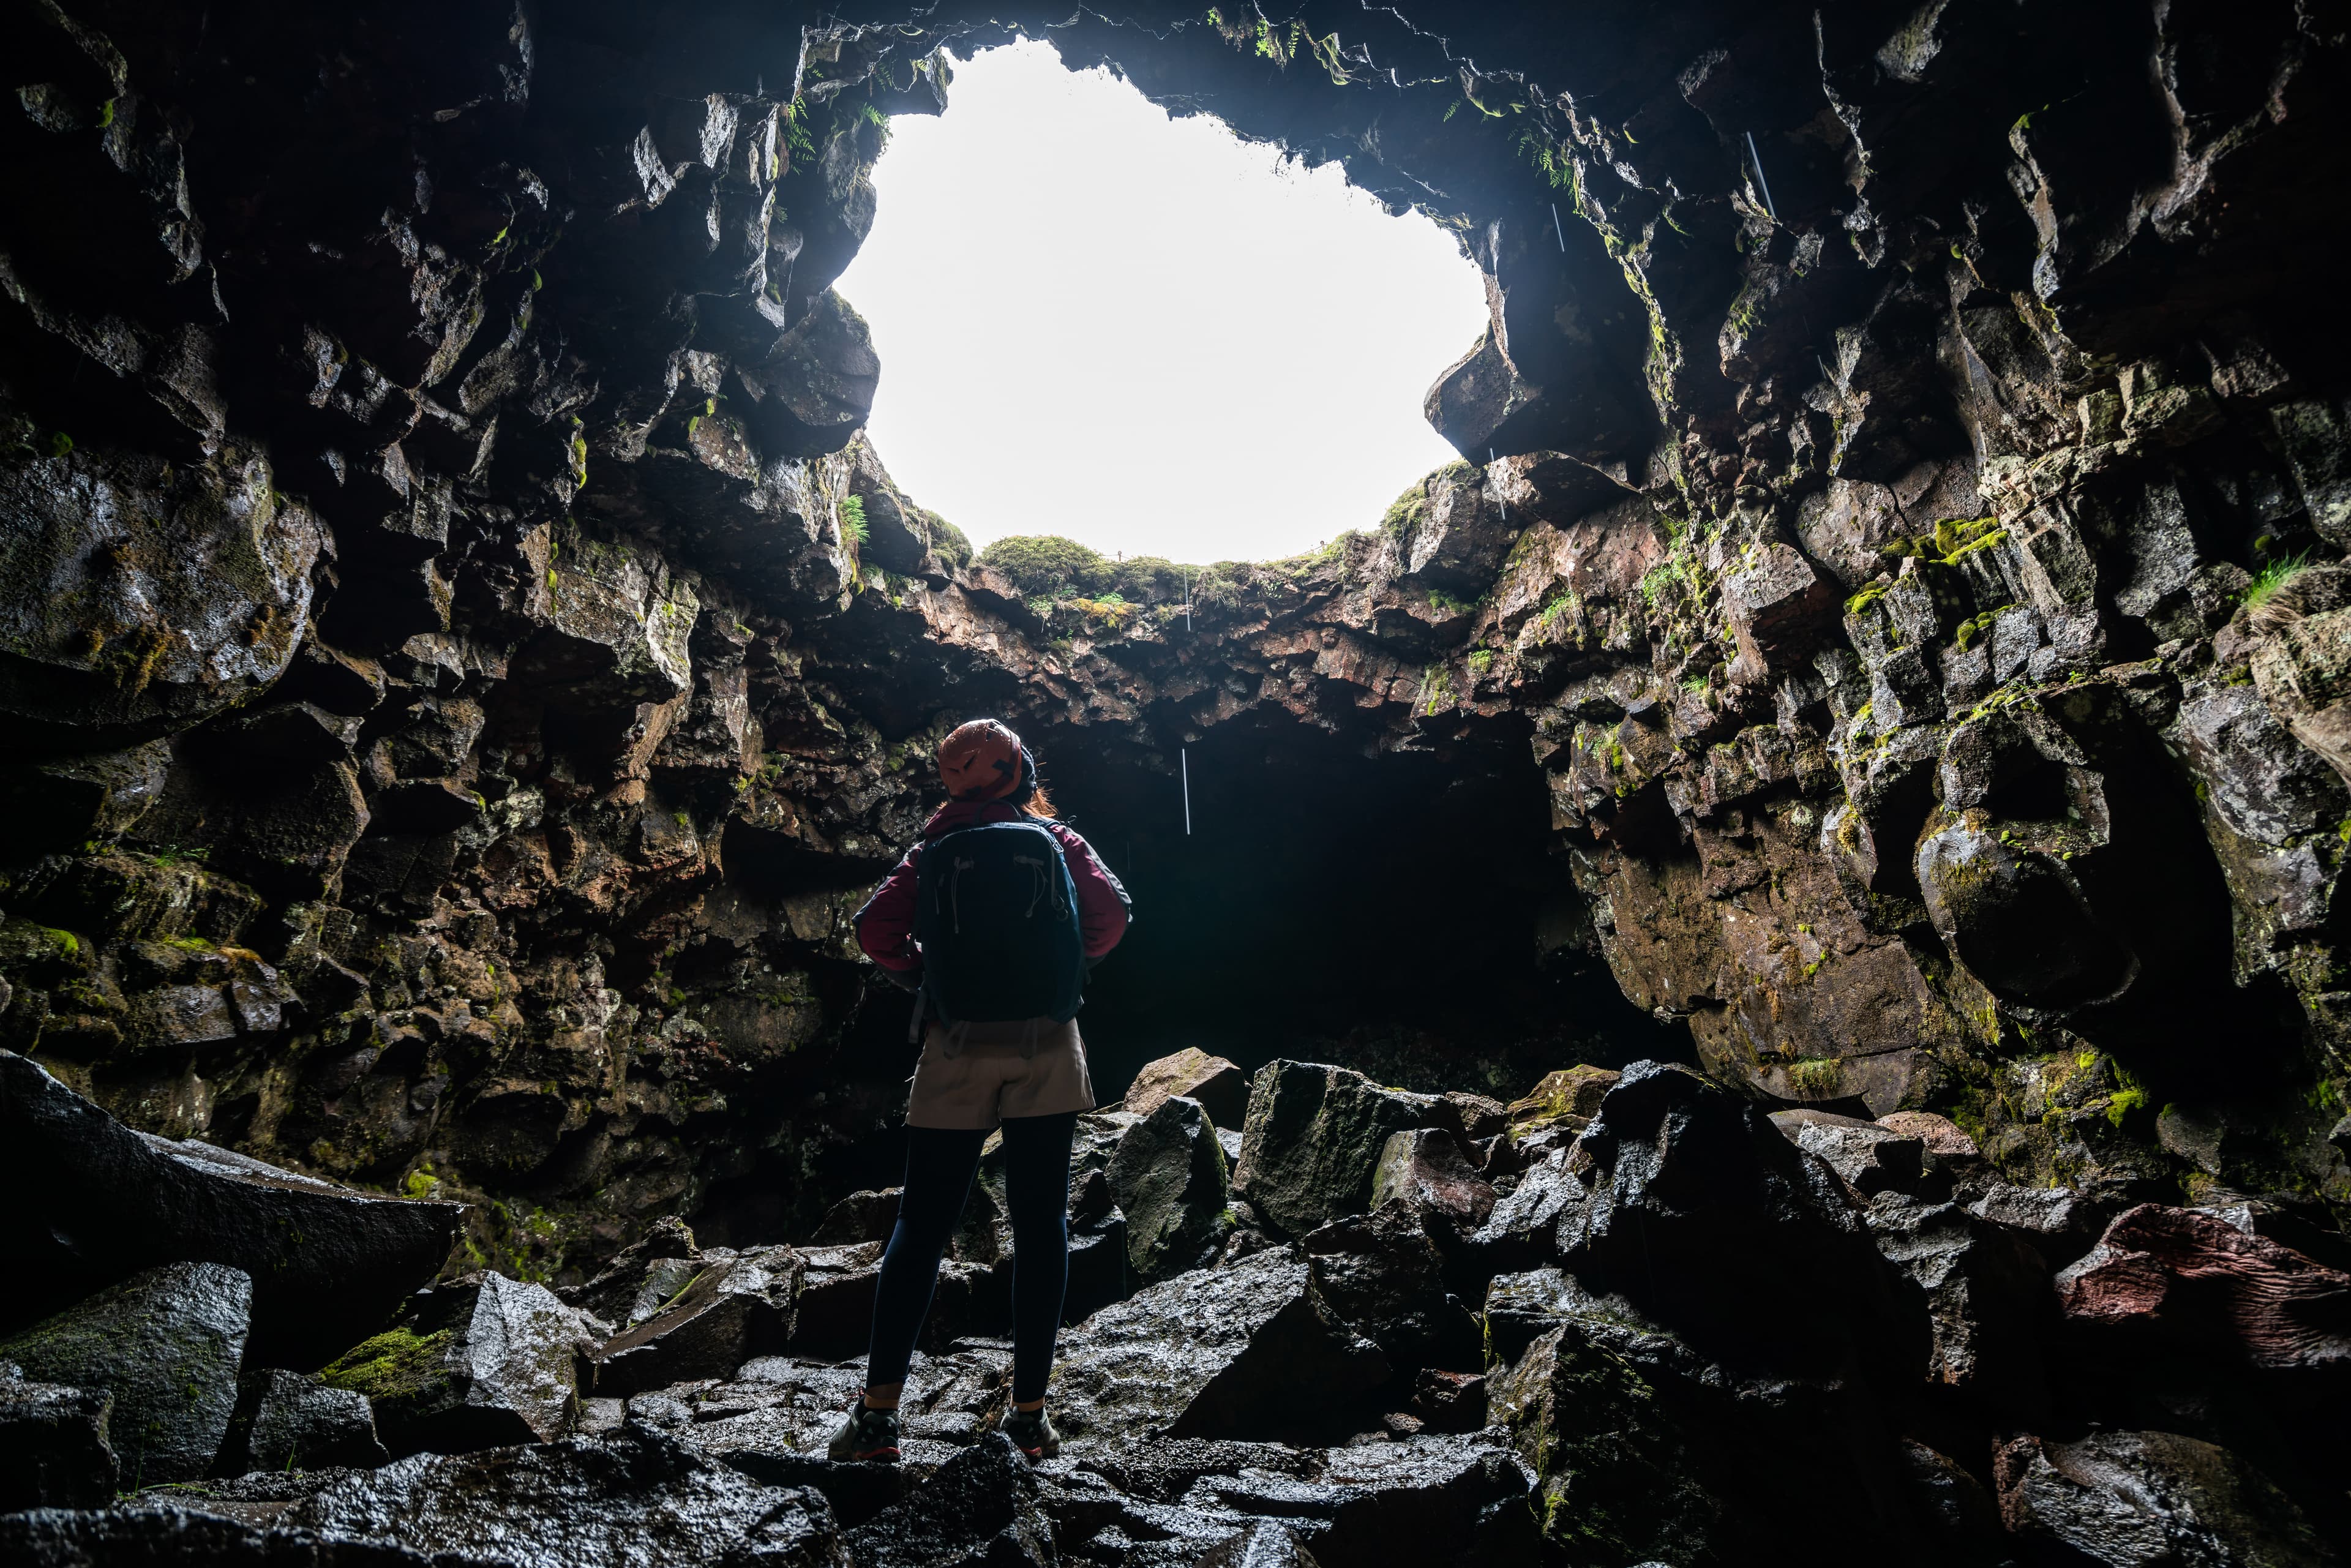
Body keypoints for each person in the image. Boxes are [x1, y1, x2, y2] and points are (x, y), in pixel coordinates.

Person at [830, 719, 1131, 1463]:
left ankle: (878, 1419)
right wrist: (1065, 969)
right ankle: (1029, 1418)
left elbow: (874, 931)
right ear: (1019, 769)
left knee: (923, 1222)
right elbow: (1113, 916)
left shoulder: (932, 848)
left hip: (956, 1041)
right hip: (1047, 1043)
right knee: (1042, 1222)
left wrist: (928, 977)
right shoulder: (1056, 839)